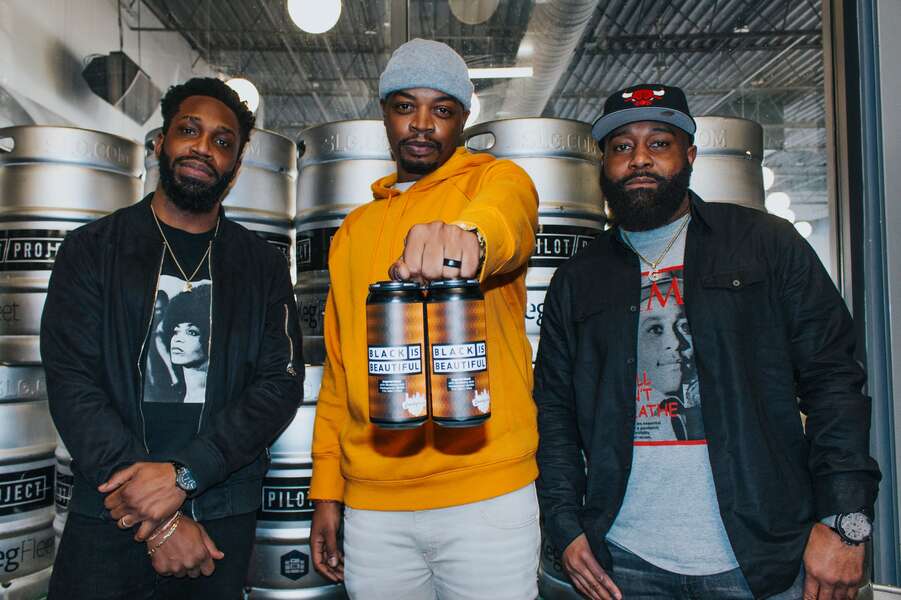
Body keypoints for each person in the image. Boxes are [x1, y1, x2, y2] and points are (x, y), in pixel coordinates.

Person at [534, 83, 881, 600]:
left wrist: (844, 522)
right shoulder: (577, 280)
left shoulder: (766, 244)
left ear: (690, 155)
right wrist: (564, 525)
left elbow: (834, 382)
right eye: (622, 146)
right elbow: (554, 412)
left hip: (766, 554)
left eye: (659, 143)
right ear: (604, 165)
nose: (640, 158)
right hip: (623, 562)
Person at [41, 77, 303, 599]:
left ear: (235, 166)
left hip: (219, 515)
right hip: (110, 509)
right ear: (161, 142)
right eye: (189, 130)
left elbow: (279, 385)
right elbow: (72, 382)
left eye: (222, 141)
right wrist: (157, 518)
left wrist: (186, 474)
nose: (203, 147)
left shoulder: (262, 267)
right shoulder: (92, 249)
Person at [308, 38, 541, 600]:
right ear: (384, 114)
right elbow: (340, 372)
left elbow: (506, 222)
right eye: (404, 106)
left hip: (487, 495)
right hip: (374, 506)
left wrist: (469, 240)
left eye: (441, 109)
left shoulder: (496, 182)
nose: (420, 124)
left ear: (462, 119)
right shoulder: (352, 232)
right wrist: (327, 490)